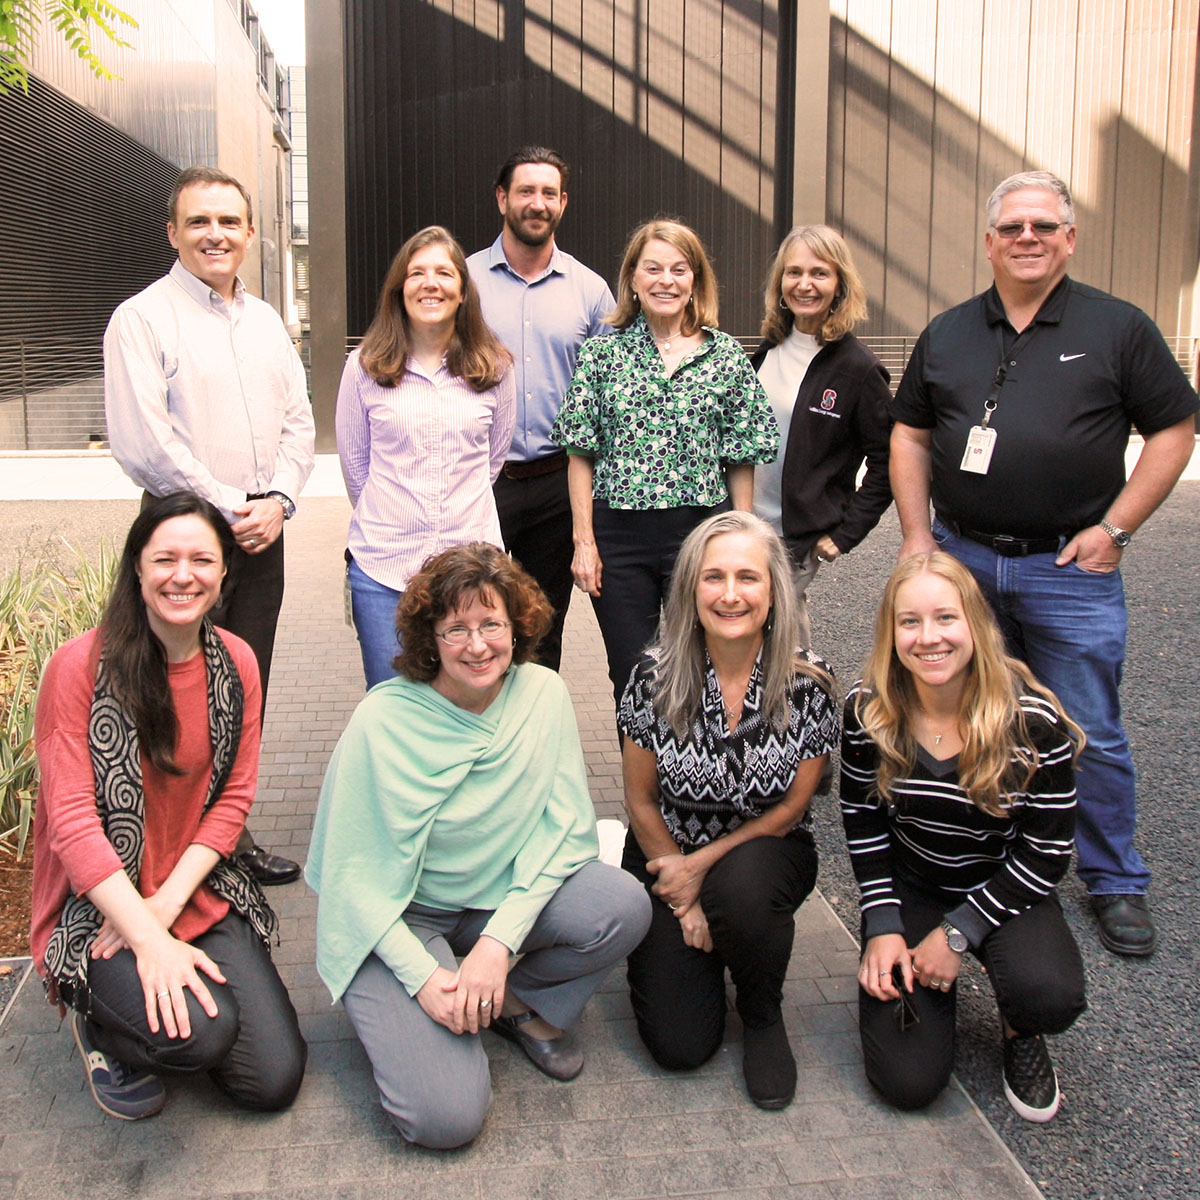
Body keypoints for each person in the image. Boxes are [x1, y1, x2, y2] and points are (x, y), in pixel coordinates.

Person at [890, 170, 1198, 957]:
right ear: (989, 242)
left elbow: (1174, 428)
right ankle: (984, 855)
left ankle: (1114, 880)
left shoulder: (1119, 327)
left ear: (1068, 238)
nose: (1028, 238)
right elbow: (910, 437)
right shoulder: (949, 332)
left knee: (1086, 722)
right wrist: (918, 539)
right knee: (966, 712)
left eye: (1043, 226)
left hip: (1070, 567)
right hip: (963, 558)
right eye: (1013, 227)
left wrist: (1117, 530)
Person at [305, 544, 651, 1149]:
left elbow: (564, 830)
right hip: (400, 915)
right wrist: (422, 979)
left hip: (492, 904)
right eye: (455, 628)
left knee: (621, 904)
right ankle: (404, 1006)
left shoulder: (543, 694)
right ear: (429, 638)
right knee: (447, 1120)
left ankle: (512, 1000)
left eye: (491, 623)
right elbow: (350, 878)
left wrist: (497, 944)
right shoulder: (382, 720)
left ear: (516, 628)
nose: (477, 644)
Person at [31, 492, 307, 1122]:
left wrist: (163, 911)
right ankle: (99, 1029)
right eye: (165, 559)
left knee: (274, 1081)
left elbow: (232, 801)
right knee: (203, 1034)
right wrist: (146, 937)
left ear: (223, 572)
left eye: (201, 560)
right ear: (137, 567)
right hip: (96, 906)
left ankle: (161, 1001)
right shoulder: (79, 668)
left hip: (189, 887)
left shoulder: (236, 663)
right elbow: (73, 825)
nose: (183, 575)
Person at [104, 165, 316, 887]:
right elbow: (146, 444)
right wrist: (231, 507)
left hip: (261, 535)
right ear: (172, 232)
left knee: (240, 688)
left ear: (252, 234)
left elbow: (299, 421)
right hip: (183, 540)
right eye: (199, 221)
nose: (215, 234)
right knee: (168, 690)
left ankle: (229, 837)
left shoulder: (264, 322)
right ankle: (161, 850)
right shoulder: (142, 319)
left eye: (229, 222)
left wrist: (280, 500)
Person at [840, 552, 1087, 1121]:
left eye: (945, 618)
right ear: (891, 631)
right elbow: (862, 816)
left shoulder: (1032, 722)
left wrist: (958, 934)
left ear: (975, 622)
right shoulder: (868, 710)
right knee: (907, 1084)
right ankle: (930, 985)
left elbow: (1047, 852)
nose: (929, 638)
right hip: (912, 886)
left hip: (1005, 890)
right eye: (910, 621)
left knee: (1048, 992)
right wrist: (882, 922)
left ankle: (1019, 1029)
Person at [618, 511, 837, 1110]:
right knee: (680, 1046)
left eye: (749, 576)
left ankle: (763, 1012)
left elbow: (793, 807)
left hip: (765, 854)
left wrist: (704, 870)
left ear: (774, 590)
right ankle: (709, 949)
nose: (732, 594)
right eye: (714, 577)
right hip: (667, 850)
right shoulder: (651, 677)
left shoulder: (809, 683)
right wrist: (682, 889)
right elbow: (639, 799)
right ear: (690, 587)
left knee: (742, 891)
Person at [552, 218, 778, 704]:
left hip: (700, 538)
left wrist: (743, 539)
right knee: (632, 676)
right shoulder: (601, 354)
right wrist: (584, 542)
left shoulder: (726, 357)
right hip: (620, 540)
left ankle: (690, 777)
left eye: (679, 269)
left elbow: (742, 455)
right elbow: (579, 452)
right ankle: (641, 782)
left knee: (700, 668)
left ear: (695, 278)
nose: (666, 280)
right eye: (652, 268)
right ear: (632, 277)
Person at [337, 226, 516, 689]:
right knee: (392, 704)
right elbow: (356, 469)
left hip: (472, 572)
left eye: (443, 272)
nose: (430, 283)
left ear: (462, 291)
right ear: (400, 288)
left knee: (469, 700)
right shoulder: (364, 368)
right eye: (417, 273)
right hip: (384, 572)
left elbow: (491, 462)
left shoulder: (494, 368)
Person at [468, 146, 616, 671]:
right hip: (480, 483)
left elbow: (611, 393)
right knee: (469, 622)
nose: (537, 203)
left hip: (559, 487)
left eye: (548, 193)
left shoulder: (591, 291)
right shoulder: (463, 285)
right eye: (526, 191)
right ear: (502, 198)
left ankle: (528, 740)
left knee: (539, 628)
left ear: (563, 203)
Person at [750, 225, 893, 649]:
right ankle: (794, 705)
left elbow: (888, 462)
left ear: (839, 285)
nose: (804, 284)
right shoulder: (767, 351)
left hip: (795, 535)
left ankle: (793, 704)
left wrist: (847, 532)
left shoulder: (858, 369)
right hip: (747, 523)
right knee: (770, 627)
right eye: (793, 273)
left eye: (819, 273)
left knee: (767, 628)